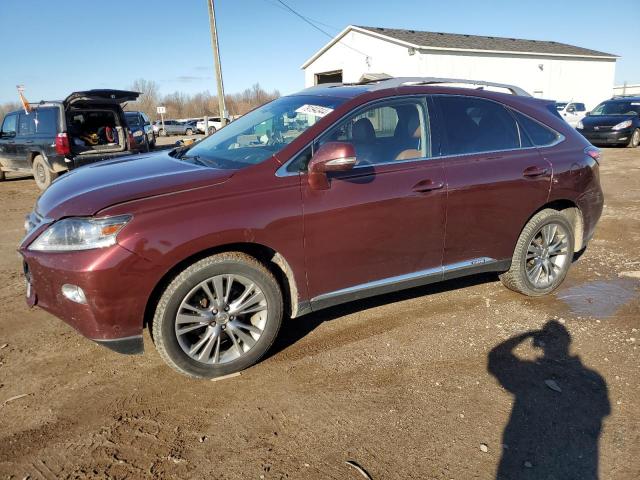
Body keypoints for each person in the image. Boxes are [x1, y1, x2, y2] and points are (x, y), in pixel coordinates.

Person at [488, 320, 610, 480]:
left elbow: (495, 360)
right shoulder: (593, 378)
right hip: (575, 462)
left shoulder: (531, 372)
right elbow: (604, 411)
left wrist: (526, 335)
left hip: (530, 456)